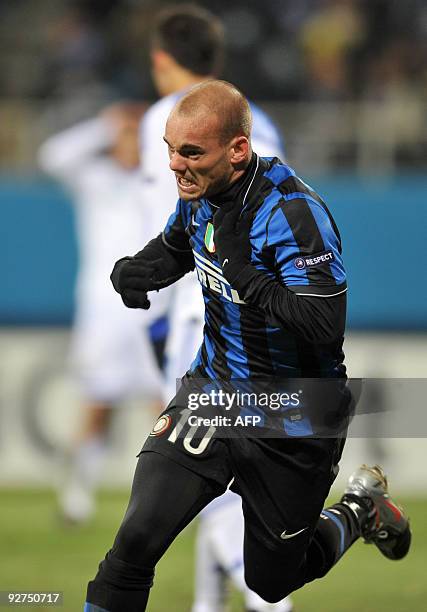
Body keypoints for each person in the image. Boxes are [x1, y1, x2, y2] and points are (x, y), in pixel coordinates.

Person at [85, 81, 411, 612]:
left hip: (295, 412)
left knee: (271, 582)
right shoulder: (199, 193)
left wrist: (244, 273)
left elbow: (324, 323)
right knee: (134, 542)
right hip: (213, 393)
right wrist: (139, 271)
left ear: (237, 149)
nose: (175, 164)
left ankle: (359, 512)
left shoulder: (294, 214)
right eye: (170, 148)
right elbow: (177, 246)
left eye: (191, 152)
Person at [140, 6, 292, 611]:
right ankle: (209, 605)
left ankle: (270, 605)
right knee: (225, 468)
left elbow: (166, 234)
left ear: (160, 60)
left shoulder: (166, 125)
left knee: (208, 474)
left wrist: (153, 320)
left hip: (202, 321)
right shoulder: (258, 129)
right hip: (265, 323)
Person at [38, 104, 164, 523]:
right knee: (98, 402)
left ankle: (167, 499)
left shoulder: (160, 182)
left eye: (136, 138)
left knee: (164, 407)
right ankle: (77, 496)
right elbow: (51, 156)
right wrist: (103, 125)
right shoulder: (96, 179)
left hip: (153, 310)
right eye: (124, 138)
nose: (130, 146)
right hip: (104, 313)